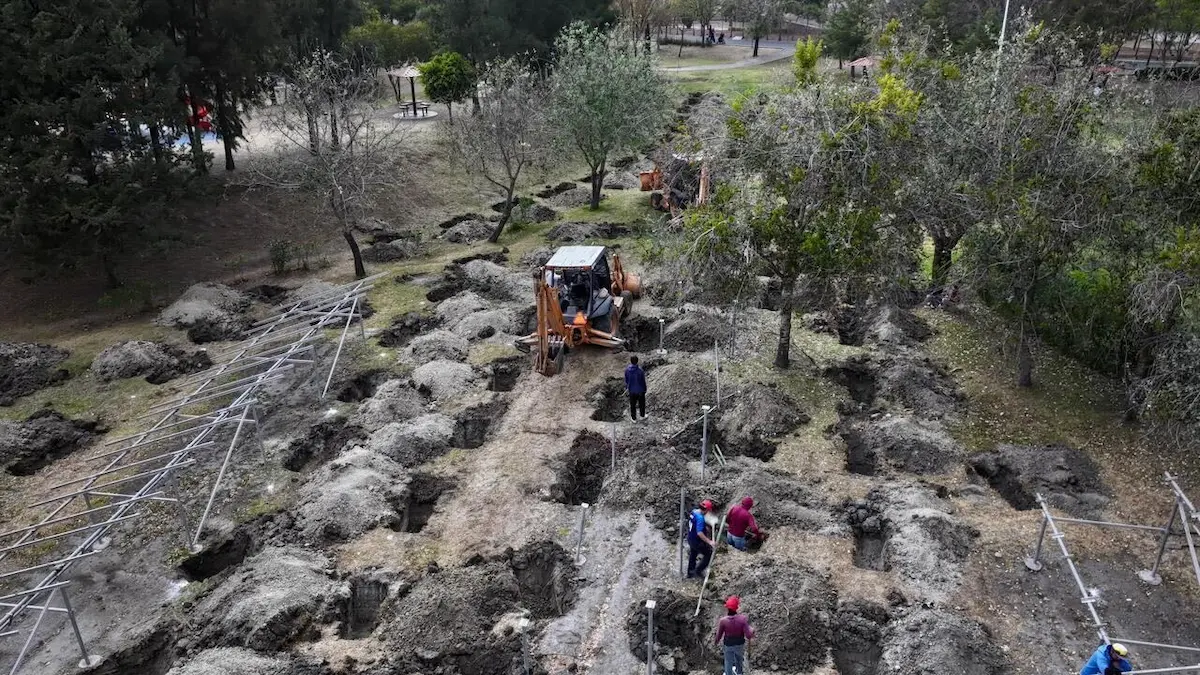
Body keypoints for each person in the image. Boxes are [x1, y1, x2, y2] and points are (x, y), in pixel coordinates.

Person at [715, 596, 754, 675]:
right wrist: (751, 631)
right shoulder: (742, 619)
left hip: (728, 644)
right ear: (737, 607)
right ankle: (739, 673)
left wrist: (716, 642)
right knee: (739, 659)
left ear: (727, 608)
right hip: (739, 644)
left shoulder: (723, 621)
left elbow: (719, 635)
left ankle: (729, 673)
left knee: (728, 661)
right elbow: (748, 635)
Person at [687, 499, 715, 578]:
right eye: (709, 510)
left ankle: (690, 572)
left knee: (693, 554)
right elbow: (699, 533)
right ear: (706, 510)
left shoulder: (694, 511)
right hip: (697, 541)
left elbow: (694, 523)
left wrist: (704, 528)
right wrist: (709, 542)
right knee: (708, 554)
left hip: (690, 537)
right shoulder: (700, 518)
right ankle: (698, 571)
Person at [624, 355, 648, 421]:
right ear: (637, 361)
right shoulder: (640, 371)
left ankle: (633, 418)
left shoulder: (627, 370)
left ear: (631, 361)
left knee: (633, 405)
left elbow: (626, 380)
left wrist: (627, 387)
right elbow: (643, 381)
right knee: (642, 404)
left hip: (631, 390)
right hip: (640, 390)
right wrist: (645, 389)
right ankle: (642, 415)